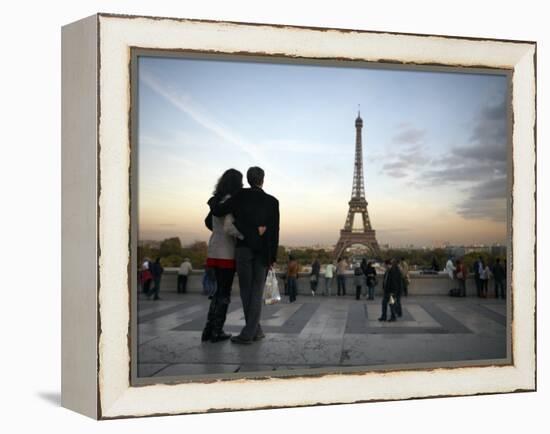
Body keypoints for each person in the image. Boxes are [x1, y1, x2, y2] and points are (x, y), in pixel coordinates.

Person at [211, 166, 280, 345]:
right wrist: (273, 257)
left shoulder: (240, 196)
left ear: (248, 180)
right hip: (263, 252)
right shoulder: (273, 202)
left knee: (246, 291)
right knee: (256, 292)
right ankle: (254, 330)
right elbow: (274, 232)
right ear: (263, 179)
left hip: (244, 249)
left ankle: (248, 333)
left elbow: (218, 211)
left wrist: (214, 199)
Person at [202, 169, 252, 343]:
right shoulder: (229, 202)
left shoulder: (217, 201)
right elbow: (230, 228)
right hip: (226, 254)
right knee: (224, 294)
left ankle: (208, 330)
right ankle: (217, 331)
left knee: (216, 294)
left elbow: (209, 222)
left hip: (213, 250)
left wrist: (218, 234)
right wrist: (245, 235)